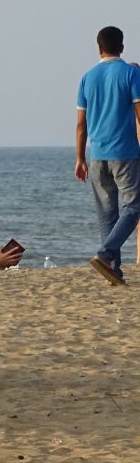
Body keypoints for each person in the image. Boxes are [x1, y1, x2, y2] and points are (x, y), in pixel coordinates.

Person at [75, 26, 140, 286]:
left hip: (97, 153)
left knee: (107, 214)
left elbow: (81, 124)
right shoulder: (131, 73)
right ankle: (105, 254)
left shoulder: (87, 78)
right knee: (134, 207)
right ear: (121, 47)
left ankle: (114, 269)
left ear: (99, 48)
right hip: (124, 152)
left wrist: (79, 158)